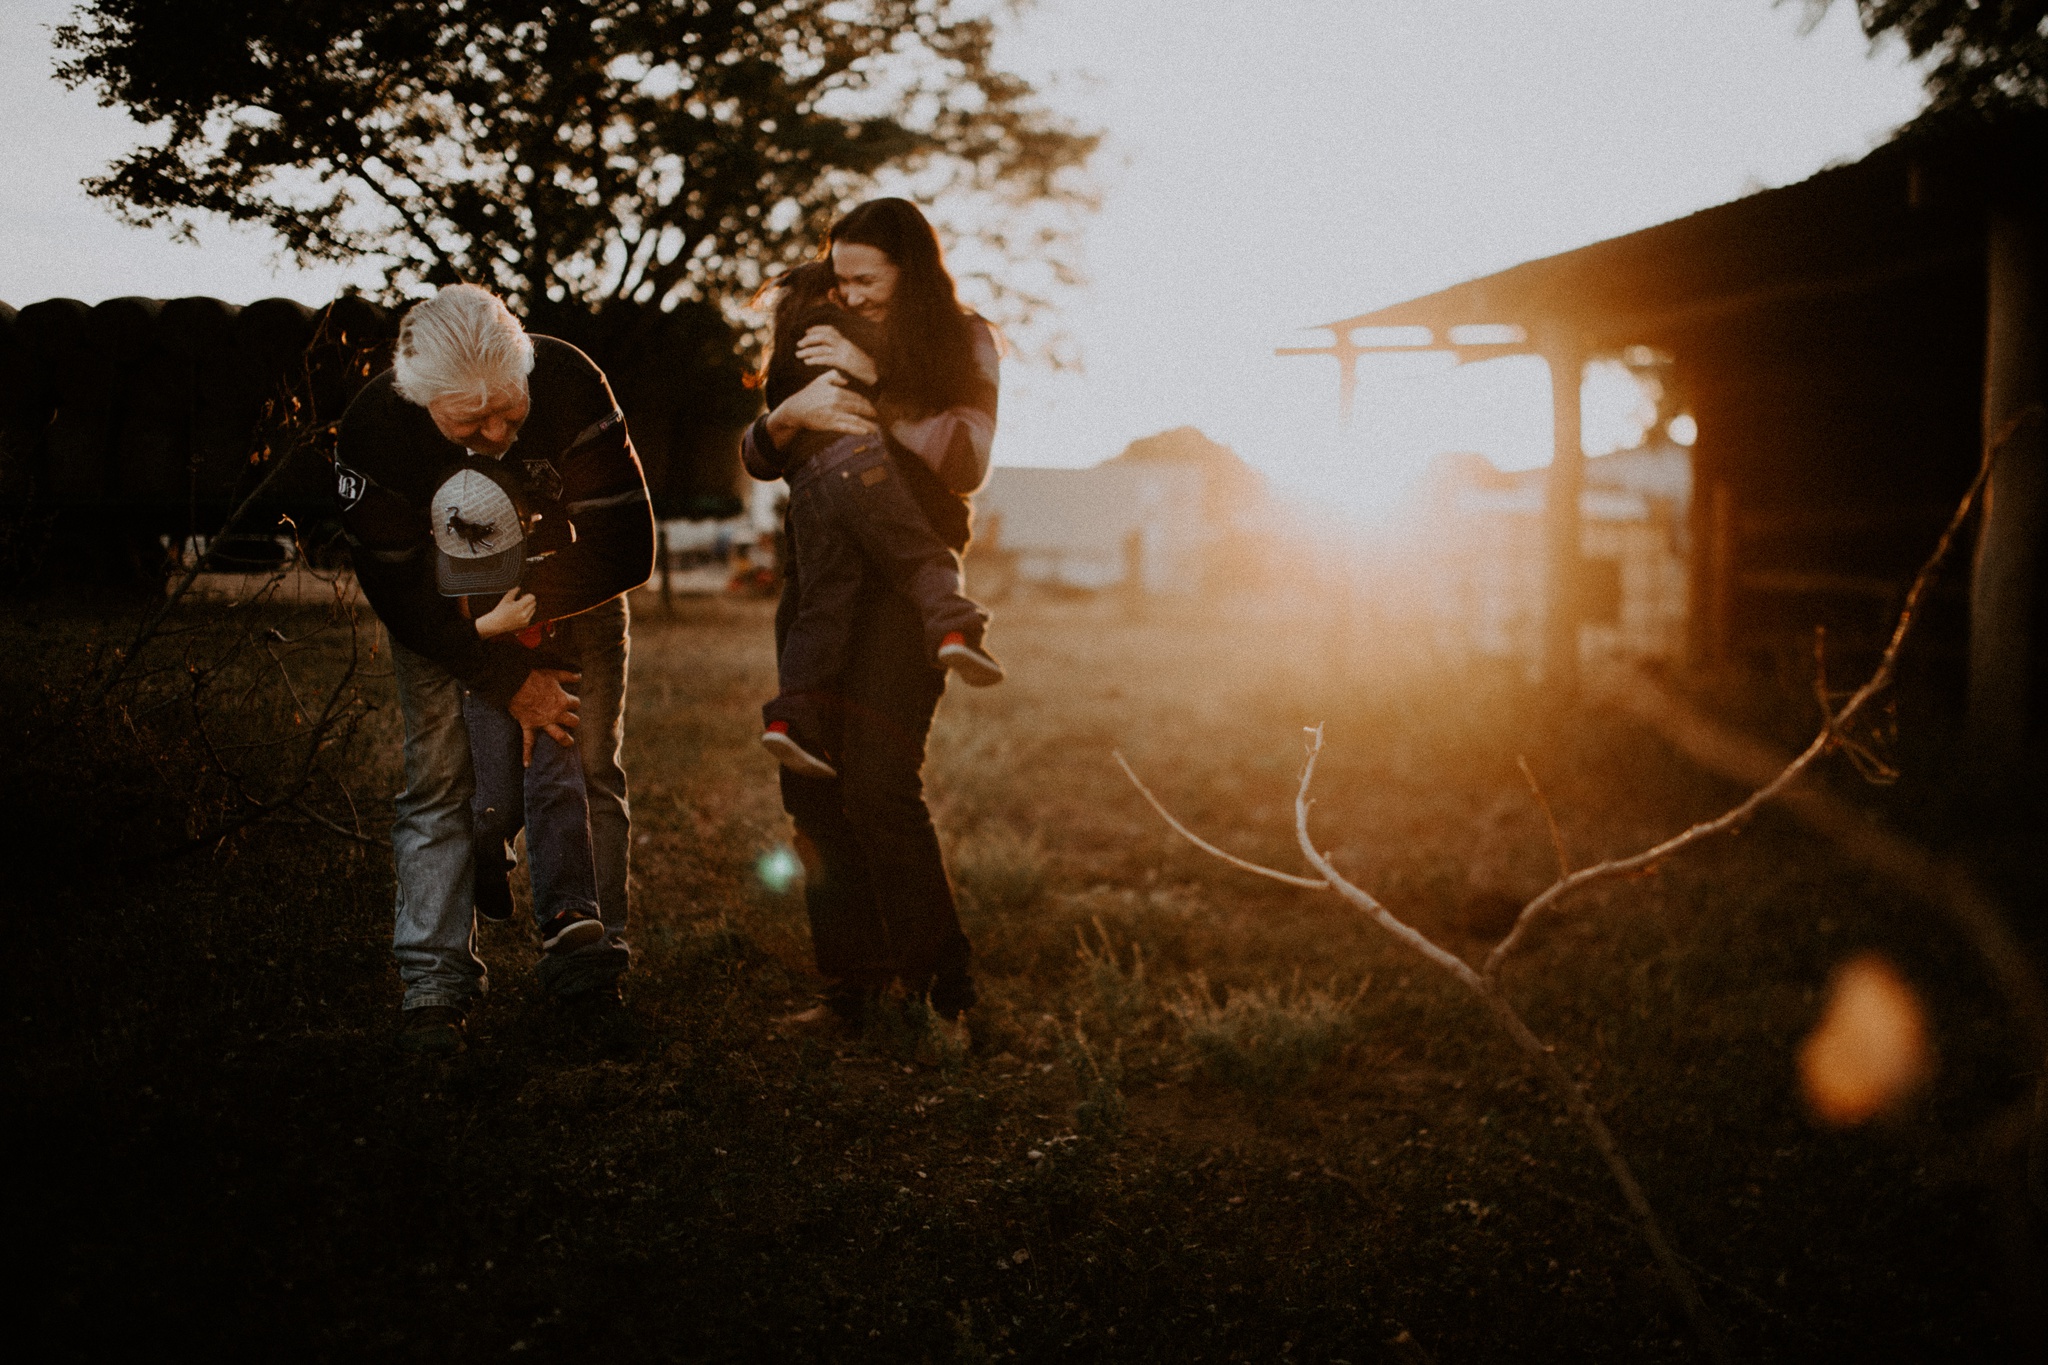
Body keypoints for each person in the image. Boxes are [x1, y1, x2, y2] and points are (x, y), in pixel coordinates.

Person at [336, 284, 654, 1055]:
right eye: (467, 420)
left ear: (527, 368)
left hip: (576, 596)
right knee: (440, 779)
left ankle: (590, 965)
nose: (494, 431)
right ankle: (434, 987)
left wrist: (532, 623)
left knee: (586, 765)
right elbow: (397, 589)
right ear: (419, 399)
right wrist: (504, 673)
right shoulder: (377, 425)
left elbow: (627, 544)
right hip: (443, 618)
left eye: (507, 410)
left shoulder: (572, 381)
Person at [741, 198, 999, 1051]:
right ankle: (850, 989)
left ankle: (945, 991)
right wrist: (791, 414)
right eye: (838, 274)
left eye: (867, 280)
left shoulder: (966, 341)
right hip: (819, 577)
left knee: (880, 784)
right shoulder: (814, 318)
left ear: (911, 271)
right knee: (809, 784)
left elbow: (965, 461)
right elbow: (760, 452)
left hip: (903, 586)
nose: (847, 294)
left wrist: (874, 378)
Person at [753, 258, 1003, 780]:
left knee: (822, 608)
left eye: (862, 282)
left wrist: (788, 415)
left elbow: (769, 434)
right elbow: (897, 360)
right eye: (844, 286)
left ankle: (790, 719)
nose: (853, 296)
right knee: (919, 553)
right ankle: (955, 629)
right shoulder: (836, 324)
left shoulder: (786, 351)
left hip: (809, 495)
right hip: (858, 466)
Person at [429, 460, 606, 957]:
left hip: (553, 679)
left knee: (558, 783)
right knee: (497, 798)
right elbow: (458, 623)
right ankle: (488, 851)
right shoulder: (466, 538)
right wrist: (495, 626)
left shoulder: (553, 532)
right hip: (489, 685)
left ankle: (566, 909)